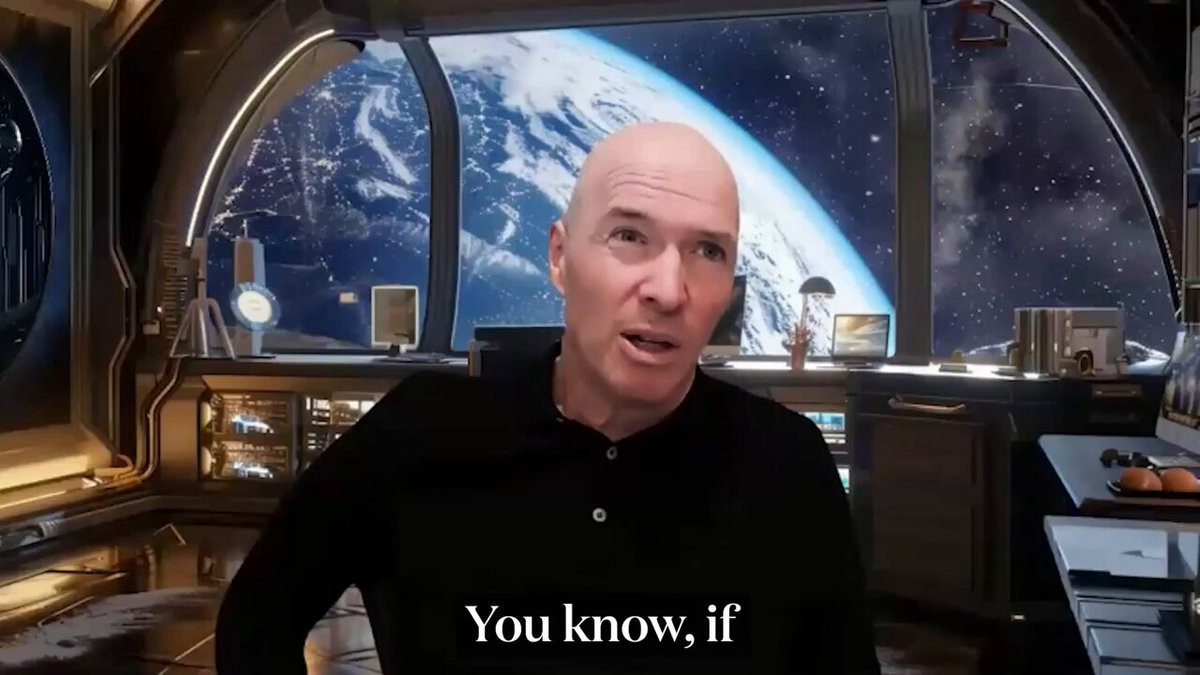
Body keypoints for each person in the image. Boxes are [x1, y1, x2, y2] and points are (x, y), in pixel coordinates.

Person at [214, 121, 879, 673]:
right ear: (559, 257)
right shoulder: (417, 433)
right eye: (629, 236)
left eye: (708, 250)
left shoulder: (786, 463)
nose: (668, 290)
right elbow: (257, 617)